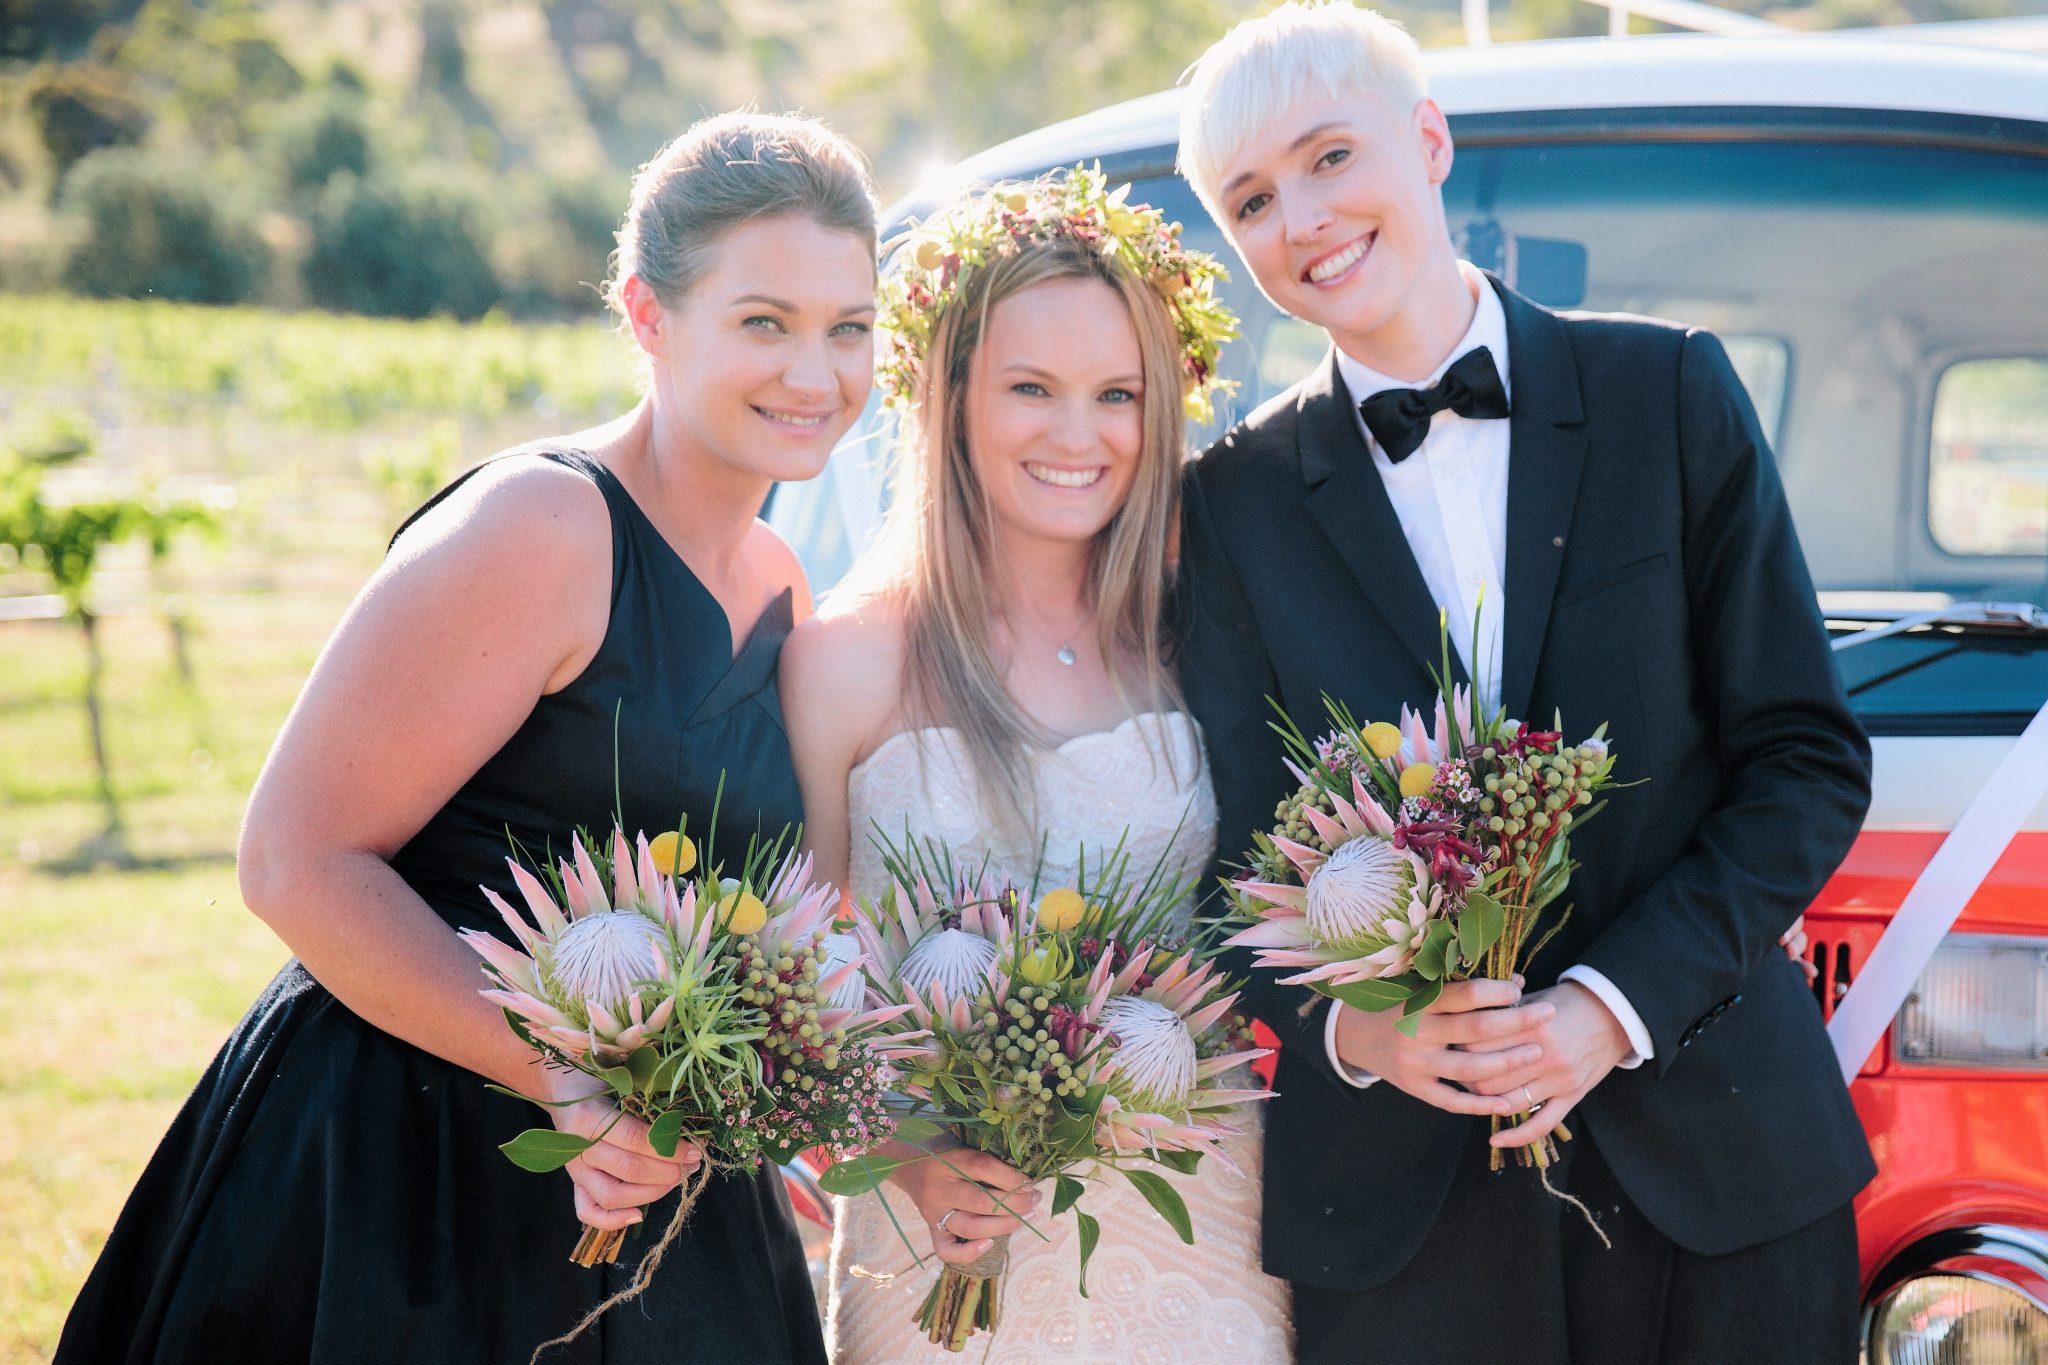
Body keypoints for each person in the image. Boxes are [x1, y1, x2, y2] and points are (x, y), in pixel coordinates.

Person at [56, 111, 878, 1365]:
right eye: (763, 321)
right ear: (647, 315)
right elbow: (296, 859)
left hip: (658, 1188)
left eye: (848, 329)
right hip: (410, 1170)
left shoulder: (779, 580)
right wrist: (569, 1086)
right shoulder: (542, 527)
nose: (814, 374)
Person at [1172, 5, 1875, 1362]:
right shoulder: (1229, 507)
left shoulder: (1667, 391)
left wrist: (1606, 1010)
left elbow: (1805, 757)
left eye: (1331, 157)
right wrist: (1363, 1036)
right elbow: (1224, 851)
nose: (1303, 216)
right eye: (1254, 199)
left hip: (1719, 1168)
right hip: (1401, 1220)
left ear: (1430, 141)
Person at [781, 171, 1293, 1363]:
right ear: (946, 397)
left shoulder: (1194, 642)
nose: (1078, 435)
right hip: (943, 1253)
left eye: (1116, 394)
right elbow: (790, 1008)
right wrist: (904, 1159)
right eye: (1030, 389)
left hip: (1199, 1241)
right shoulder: (845, 663)